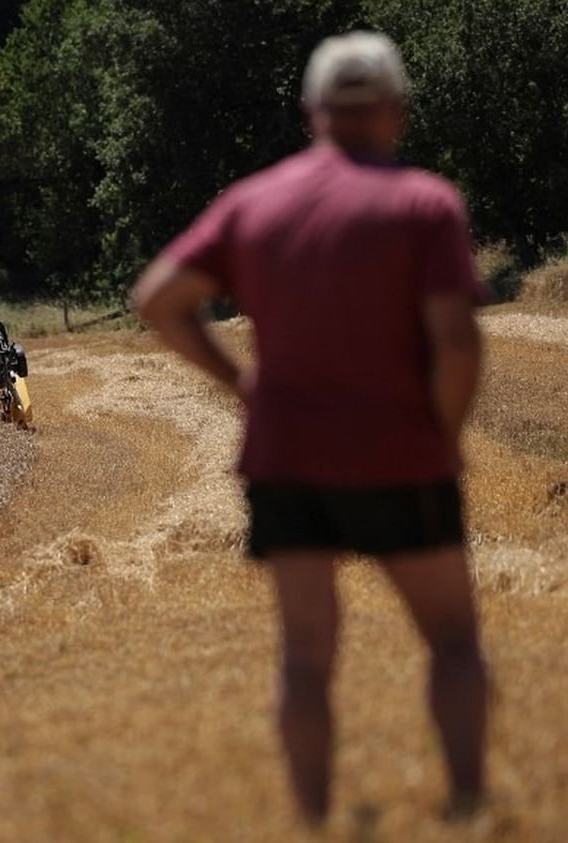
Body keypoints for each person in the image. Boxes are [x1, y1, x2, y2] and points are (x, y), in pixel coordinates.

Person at [131, 31, 489, 825]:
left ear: (311, 113)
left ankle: (313, 819)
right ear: (396, 109)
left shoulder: (254, 203)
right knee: (453, 638)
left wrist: (242, 384)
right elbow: (457, 342)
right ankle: (466, 804)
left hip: (286, 456)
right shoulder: (426, 204)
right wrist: (445, 432)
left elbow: (158, 298)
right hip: (402, 449)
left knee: (304, 654)